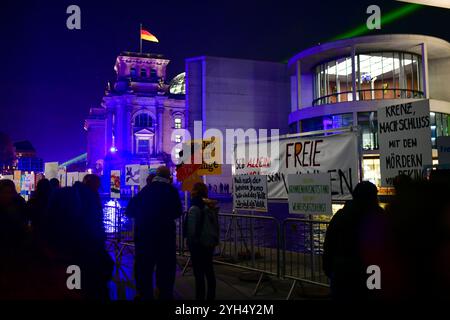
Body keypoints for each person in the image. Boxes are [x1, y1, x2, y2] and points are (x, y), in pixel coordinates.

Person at [323, 181, 386, 300]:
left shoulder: (341, 215)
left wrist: (328, 267)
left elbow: (329, 242)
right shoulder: (378, 215)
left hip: (342, 271)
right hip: (372, 271)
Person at [131, 166, 183, 300]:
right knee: (166, 267)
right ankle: (164, 292)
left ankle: (144, 293)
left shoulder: (145, 190)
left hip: (144, 236)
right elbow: (178, 211)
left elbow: (131, 209)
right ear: (168, 177)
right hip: (165, 236)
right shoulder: (171, 191)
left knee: (144, 267)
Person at [185, 182, 219, 300]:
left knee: (199, 274)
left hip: (198, 244)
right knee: (209, 271)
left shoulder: (194, 208)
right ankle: (211, 297)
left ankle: (199, 298)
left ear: (194, 192)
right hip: (209, 243)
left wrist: (189, 242)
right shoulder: (210, 206)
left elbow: (191, 229)